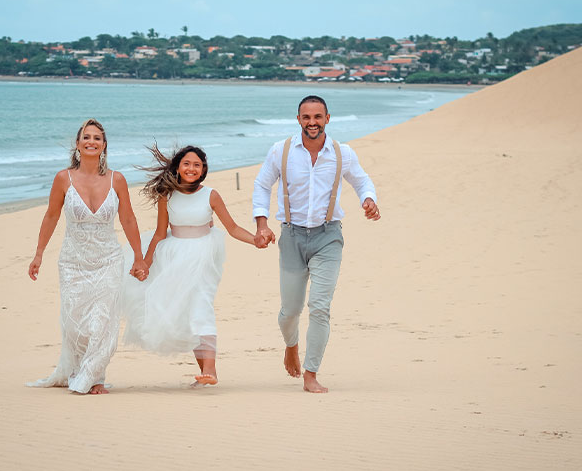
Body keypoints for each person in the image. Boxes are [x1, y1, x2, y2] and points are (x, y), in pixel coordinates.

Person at [252, 95, 381, 393]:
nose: (312, 122)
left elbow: (361, 181)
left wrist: (369, 199)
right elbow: (261, 184)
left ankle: (311, 374)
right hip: (291, 237)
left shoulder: (342, 153)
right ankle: (291, 345)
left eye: (318, 117)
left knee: (320, 308)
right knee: (290, 311)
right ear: (298, 119)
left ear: (327, 118)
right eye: (306, 117)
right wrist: (261, 222)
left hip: (328, 237)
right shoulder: (280, 151)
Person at [122, 145, 261, 386]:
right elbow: (158, 234)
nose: (191, 168)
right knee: (185, 312)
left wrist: (255, 240)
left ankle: (211, 370)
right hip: (174, 256)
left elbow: (233, 228)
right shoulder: (167, 195)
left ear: (203, 170)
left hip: (204, 254)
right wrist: (145, 262)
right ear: (178, 167)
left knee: (201, 305)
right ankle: (205, 373)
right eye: (187, 163)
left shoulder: (211, 195)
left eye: (197, 165)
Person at [26, 118, 147, 395]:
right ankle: (77, 371)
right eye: (86, 137)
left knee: (102, 321)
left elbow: (128, 218)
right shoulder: (62, 178)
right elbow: (51, 216)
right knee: (74, 323)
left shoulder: (117, 179)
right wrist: (39, 254)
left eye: (97, 138)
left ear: (104, 146)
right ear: (78, 144)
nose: (91, 142)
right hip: (73, 262)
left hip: (108, 260)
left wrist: (139, 257)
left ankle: (94, 377)